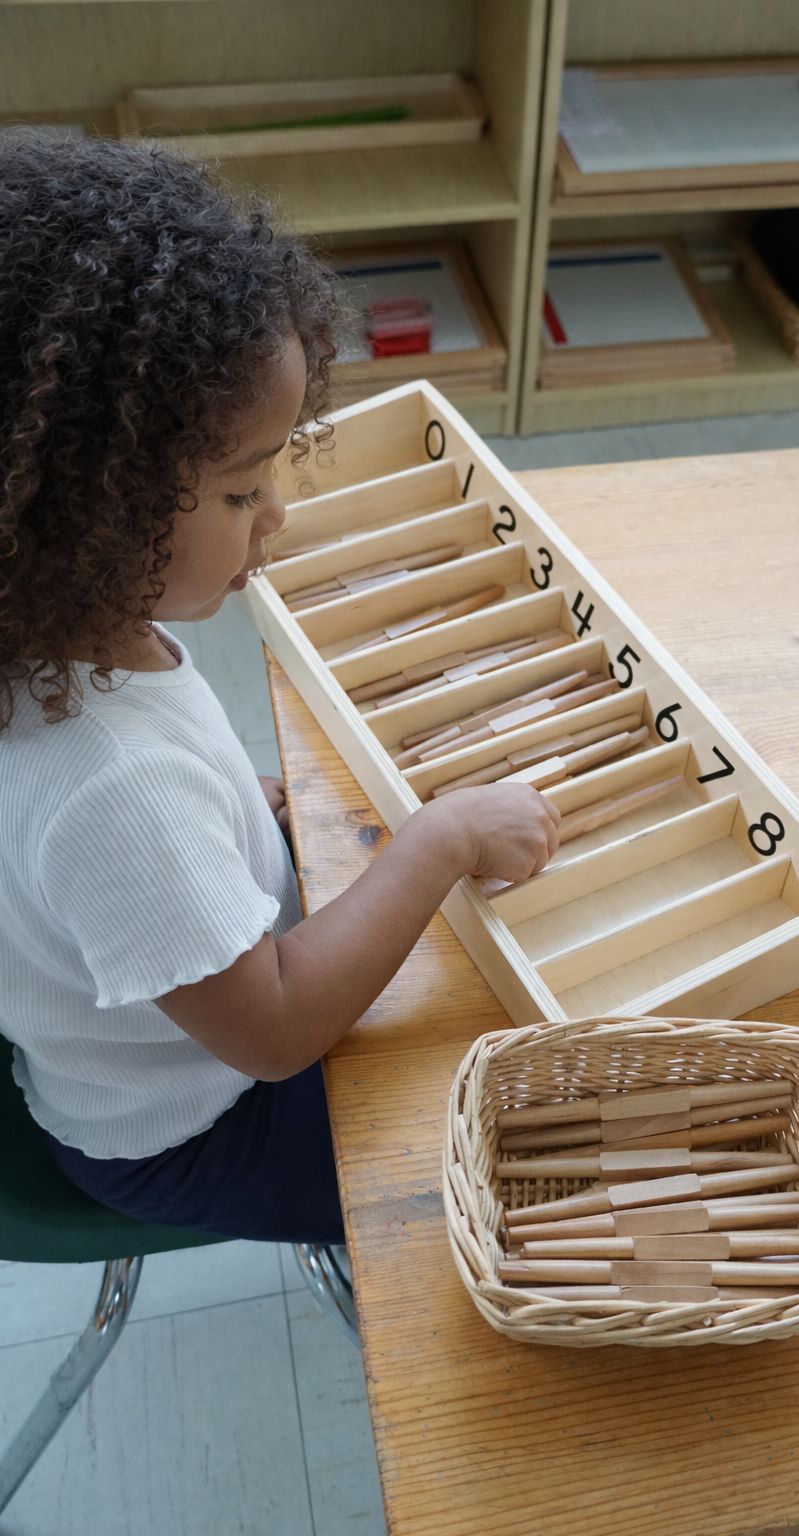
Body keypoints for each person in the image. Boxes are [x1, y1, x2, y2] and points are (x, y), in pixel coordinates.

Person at [0, 136, 559, 1246]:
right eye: (242, 490)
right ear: (90, 510)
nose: (278, 518)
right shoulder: (112, 785)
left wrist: (238, 806)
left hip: (172, 1029)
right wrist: (438, 839)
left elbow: (126, 832)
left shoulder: (61, 625)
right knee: (502, 1148)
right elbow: (276, 1034)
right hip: (201, 1128)